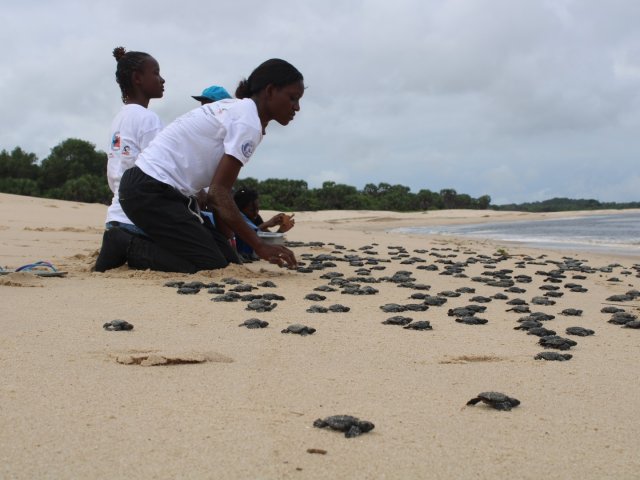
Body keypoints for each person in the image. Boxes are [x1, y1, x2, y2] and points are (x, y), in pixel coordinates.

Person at [97, 58, 304, 273]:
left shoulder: (239, 110)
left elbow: (217, 195)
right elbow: (218, 193)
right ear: (270, 91)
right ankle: (124, 244)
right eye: (292, 98)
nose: (296, 107)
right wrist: (259, 245)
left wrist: (225, 241)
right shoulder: (248, 121)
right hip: (150, 191)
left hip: (161, 192)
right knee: (209, 265)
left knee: (228, 261)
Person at [95, 46, 165, 272]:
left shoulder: (120, 117)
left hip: (115, 216)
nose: (162, 79)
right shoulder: (148, 119)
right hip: (139, 221)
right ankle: (133, 251)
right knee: (190, 259)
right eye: (155, 73)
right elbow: (162, 170)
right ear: (137, 78)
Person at [233, 187, 295, 260]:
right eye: (251, 210)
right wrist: (267, 224)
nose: (255, 213)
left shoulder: (256, 217)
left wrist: (281, 231)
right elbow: (244, 234)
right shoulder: (234, 217)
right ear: (239, 209)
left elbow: (267, 239)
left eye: (257, 209)